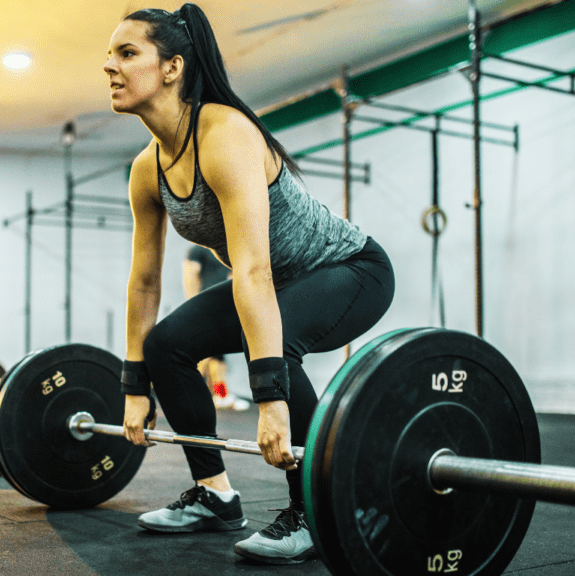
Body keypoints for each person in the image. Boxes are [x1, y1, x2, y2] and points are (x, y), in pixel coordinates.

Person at [106, 4, 395, 565]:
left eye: (127, 53)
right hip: (276, 283)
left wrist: (270, 400)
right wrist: (135, 386)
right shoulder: (148, 168)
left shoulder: (225, 133)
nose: (110, 68)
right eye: (109, 57)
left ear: (172, 68)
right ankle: (215, 494)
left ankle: (315, 509)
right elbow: (144, 283)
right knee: (167, 345)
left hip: (350, 270)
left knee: (278, 345)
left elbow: (254, 271)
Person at [182, 244, 247, 410]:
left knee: (217, 357)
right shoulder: (198, 250)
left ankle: (220, 394)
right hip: (205, 306)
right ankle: (188, 391)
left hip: (222, 306)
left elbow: (233, 277)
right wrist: (194, 306)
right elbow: (189, 275)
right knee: (208, 356)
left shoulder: (227, 249)